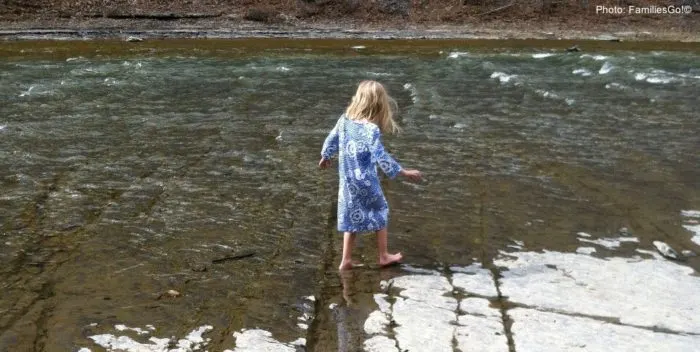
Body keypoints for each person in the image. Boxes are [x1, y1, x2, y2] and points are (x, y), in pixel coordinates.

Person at [319, 80, 422, 271]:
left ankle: (346, 260)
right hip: (366, 181)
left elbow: (332, 137)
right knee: (380, 211)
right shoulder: (370, 129)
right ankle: (383, 255)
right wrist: (403, 171)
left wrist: (326, 155)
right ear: (379, 104)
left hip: (347, 182)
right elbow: (380, 155)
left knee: (352, 217)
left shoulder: (344, 120)